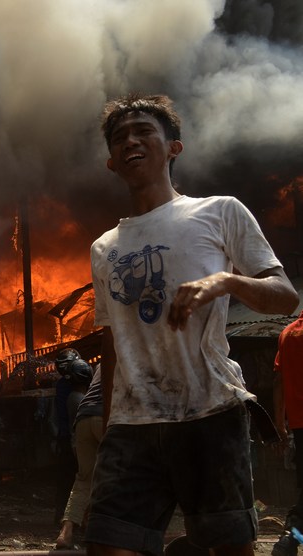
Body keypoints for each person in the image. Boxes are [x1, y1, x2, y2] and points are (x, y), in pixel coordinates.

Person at [87, 93, 299, 556]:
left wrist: (224, 281)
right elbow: (111, 340)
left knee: (228, 549)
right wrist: (108, 426)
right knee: (106, 545)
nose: (130, 141)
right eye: (119, 137)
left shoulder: (220, 212)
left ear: (173, 148)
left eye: (144, 130)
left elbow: (285, 296)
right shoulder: (104, 248)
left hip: (210, 411)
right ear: (111, 162)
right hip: (132, 423)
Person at [56, 360, 103, 550]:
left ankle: (65, 534)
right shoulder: (134, 354)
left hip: (83, 417)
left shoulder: (101, 365)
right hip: (105, 416)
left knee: (84, 479)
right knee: (123, 474)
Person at [272, 309, 303, 556]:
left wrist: (279, 422)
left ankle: (290, 538)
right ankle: (290, 536)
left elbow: (278, 382)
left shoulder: (286, 333)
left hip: (298, 423)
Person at [53, 348, 82, 524]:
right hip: (76, 435)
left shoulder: (62, 385)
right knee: (82, 477)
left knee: (66, 477)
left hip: (66, 436)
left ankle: (62, 514)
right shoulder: (79, 384)